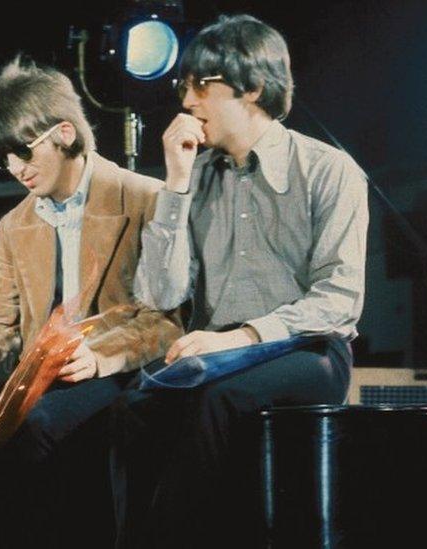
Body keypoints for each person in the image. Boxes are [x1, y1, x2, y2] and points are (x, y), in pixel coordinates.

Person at [120, 14, 369, 548]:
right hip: (215, 350)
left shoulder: (329, 170)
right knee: (134, 407)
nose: (186, 102)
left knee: (219, 400)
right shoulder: (198, 177)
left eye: (201, 86)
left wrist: (240, 338)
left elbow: (339, 301)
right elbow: (160, 294)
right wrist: (177, 186)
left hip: (308, 348)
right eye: (183, 86)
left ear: (253, 87)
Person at [0, 56, 182, 546]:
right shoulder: (13, 226)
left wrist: (101, 356)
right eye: (5, 159)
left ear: (65, 132)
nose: (15, 169)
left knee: (36, 433)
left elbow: (169, 319)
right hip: (41, 376)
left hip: (119, 372)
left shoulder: (146, 198)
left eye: (24, 152)